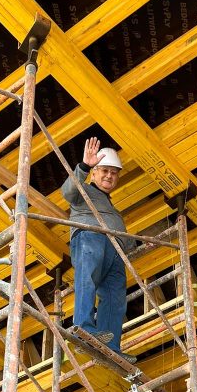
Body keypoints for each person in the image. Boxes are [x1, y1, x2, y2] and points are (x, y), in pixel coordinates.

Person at [62, 137, 138, 358]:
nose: (109, 176)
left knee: (115, 297)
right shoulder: (83, 191)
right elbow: (67, 192)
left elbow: (127, 240)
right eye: (104, 170)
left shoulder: (113, 210)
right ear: (94, 173)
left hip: (115, 249)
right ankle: (84, 328)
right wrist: (84, 166)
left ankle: (110, 346)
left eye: (114, 173)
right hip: (91, 237)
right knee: (87, 279)